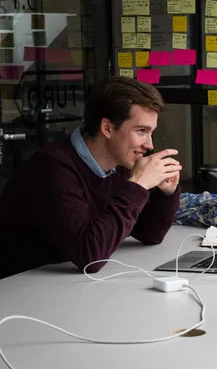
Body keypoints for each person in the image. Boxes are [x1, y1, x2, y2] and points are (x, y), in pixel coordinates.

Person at [0, 76, 182, 279]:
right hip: (18, 290)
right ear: (107, 128)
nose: (149, 145)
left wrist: (166, 193)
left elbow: (148, 234)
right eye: (141, 131)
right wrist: (138, 185)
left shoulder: (119, 163)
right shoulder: (53, 167)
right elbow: (90, 257)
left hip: (65, 284)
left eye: (151, 133)